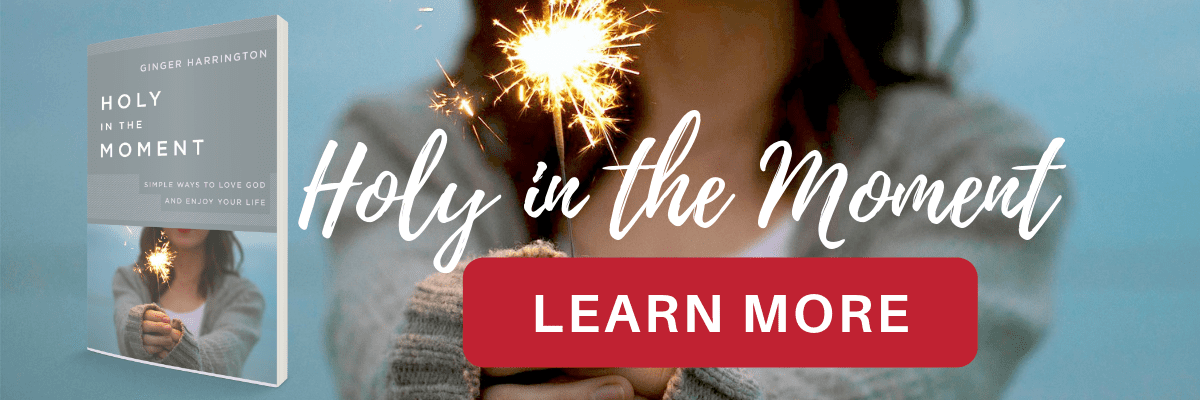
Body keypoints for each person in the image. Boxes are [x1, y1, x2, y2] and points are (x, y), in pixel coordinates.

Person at [323, 0, 1070, 398]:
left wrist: (523, 330)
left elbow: (921, 346)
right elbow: (384, 341)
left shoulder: (970, 162)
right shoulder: (414, 141)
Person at [112, 228, 264, 377]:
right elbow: (124, 319)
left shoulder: (243, 295)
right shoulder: (131, 279)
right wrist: (137, 327)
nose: (185, 218)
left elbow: (229, 352)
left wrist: (183, 348)